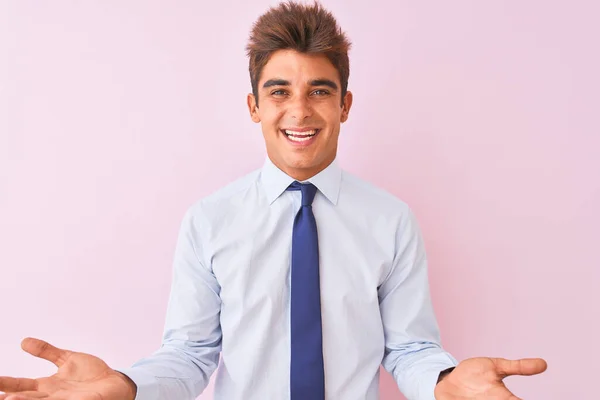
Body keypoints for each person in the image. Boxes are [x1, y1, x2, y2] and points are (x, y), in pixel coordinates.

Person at [0, 2, 547, 400]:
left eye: (320, 90)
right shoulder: (209, 220)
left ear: (345, 104)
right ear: (254, 105)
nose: (300, 111)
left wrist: (447, 383)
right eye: (279, 91)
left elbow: (407, 349)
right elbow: (191, 354)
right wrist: (126, 385)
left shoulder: (391, 220)